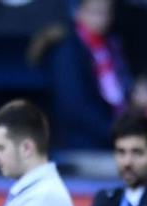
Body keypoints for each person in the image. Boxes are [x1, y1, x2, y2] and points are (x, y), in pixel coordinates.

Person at [28, 0, 132, 150]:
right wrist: (114, 131)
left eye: (107, 12)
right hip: (80, 144)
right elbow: (74, 106)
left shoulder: (109, 45)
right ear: (78, 12)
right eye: (96, 12)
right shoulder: (67, 50)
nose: (103, 18)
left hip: (106, 137)